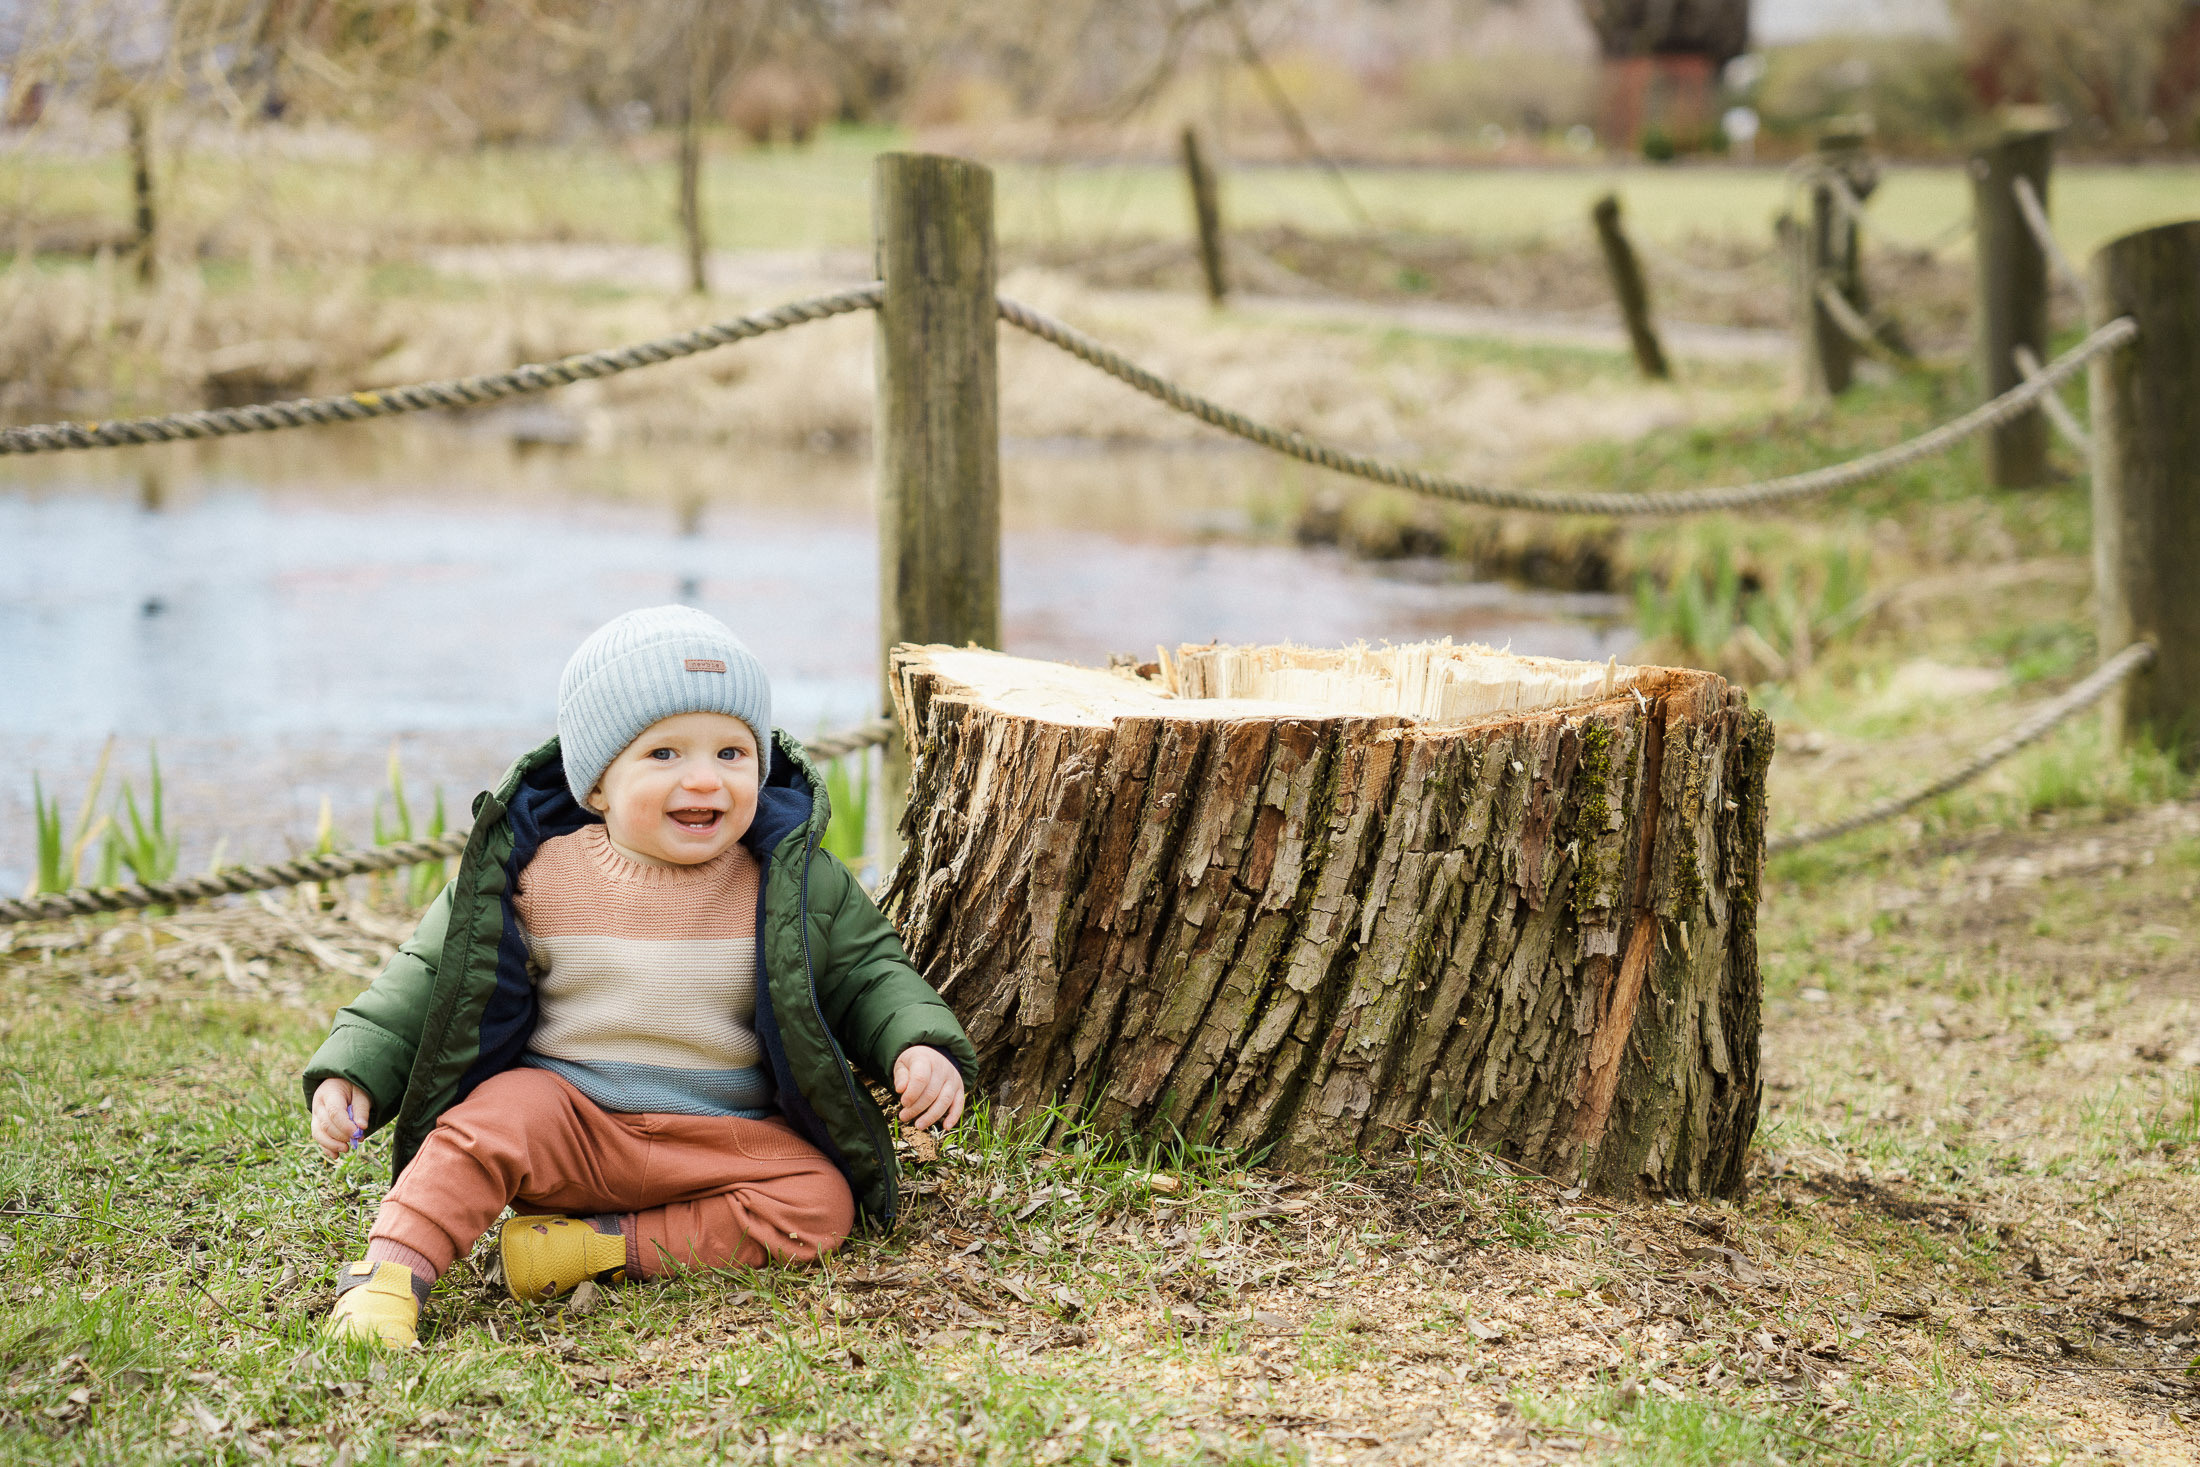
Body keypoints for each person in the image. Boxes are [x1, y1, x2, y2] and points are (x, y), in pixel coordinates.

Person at [302, 605, 975, 1348]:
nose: (704, 779)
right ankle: (389, 1274)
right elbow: (428, 975)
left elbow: (868, 969)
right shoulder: (534, 872)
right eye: (664, 755)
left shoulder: (790, 880)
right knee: (486, 1122)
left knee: (819, 1202)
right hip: (571, 1123)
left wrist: (915, 1042)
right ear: (596, 785)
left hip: (721, 1138)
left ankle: (593, 1247)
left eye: (731, 752)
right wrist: (356, 1069)